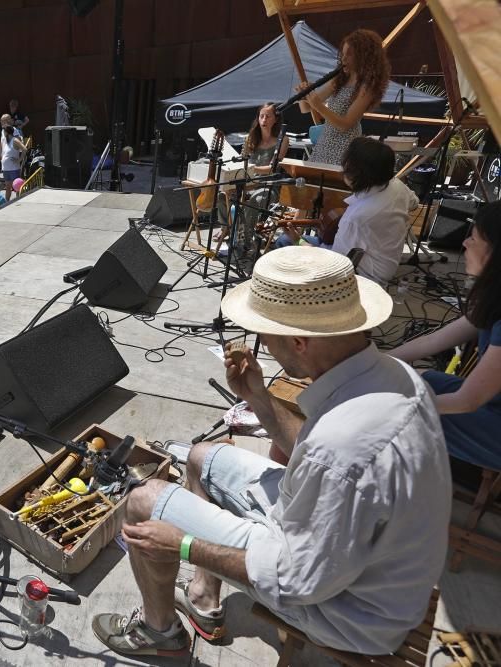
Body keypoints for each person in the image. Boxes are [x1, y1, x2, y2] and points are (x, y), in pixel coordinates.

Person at [91, 246, 449, 658]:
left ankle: (159, 633)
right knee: (201, 457)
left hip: (350, 610)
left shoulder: (341, 450)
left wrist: (184, 545)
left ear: (298, 341)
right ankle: (204, 599)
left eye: (264, 331)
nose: (259, 342)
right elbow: (314, 453)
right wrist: (259, 398)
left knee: (142, 503)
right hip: (341, 549)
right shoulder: (391, 374)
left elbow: (296, 580)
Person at [390, 201, 501, 472]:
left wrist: (394, 407)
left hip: (493, 421)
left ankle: (400, 498)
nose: (465, 243)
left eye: (473, 238)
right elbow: (434, 340)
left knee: (396, 419)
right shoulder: (493, 298)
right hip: (488, 401)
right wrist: (377, 360)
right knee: (416, 378)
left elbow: (467, 401)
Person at [328, 137, 418, 288]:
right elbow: (414, 203)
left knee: (286, 242)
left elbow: (336, 265)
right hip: (387, 264)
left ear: (356, 173)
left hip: (366, 279)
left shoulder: (357, 218)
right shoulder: (397, 185)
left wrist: (300, 242)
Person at [298, 29, 390, 165]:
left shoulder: (368, 86)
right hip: (325, 143)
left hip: (345, 148)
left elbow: (345, 125)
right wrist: (303, 94)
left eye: (349, 54)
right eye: (343, 54)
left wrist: (318, 106)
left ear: (363, 57)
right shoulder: (339, 79)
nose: (343, 59)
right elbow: (305, 108)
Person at [242, 103, 289, 175]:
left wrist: (249, 169)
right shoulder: (250, 138)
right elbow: (242, 161)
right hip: (249, 181)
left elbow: (273, 168)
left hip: (268, 183)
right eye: (261, 116)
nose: (264, 120)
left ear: (276, 119)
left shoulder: (283, 140)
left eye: (268, 116)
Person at [0, 123, 26, 201]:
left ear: (7, 132)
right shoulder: (5, 140)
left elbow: (24, 149)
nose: (3, 133)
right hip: (6, 169)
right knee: (8, 187)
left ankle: (18, 201)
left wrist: (19, 160)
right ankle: (7, 203)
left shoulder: (15, 140)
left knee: (16, 187)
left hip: (14, 168)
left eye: (4, 131)